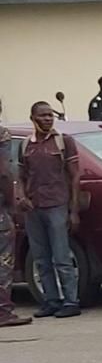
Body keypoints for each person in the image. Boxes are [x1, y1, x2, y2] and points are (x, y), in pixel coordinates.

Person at [19, 101, 81, 318]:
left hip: (57, 205)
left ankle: (71, 301)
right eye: (42, 116)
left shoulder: (64, 142)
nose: (47, 119)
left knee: (62, 257)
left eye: (50, 115)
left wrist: (73, 211)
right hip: (34, 208)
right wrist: (22, 196)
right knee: (41, 257)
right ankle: (51, 301)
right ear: (33, 118)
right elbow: (21, 175)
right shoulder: (26, 145)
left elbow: (75, 176)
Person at [0, 122, 30, 327]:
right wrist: (11, 203)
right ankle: (3, 311)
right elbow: (4, 173)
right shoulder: (2, 135)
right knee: (3, 263)